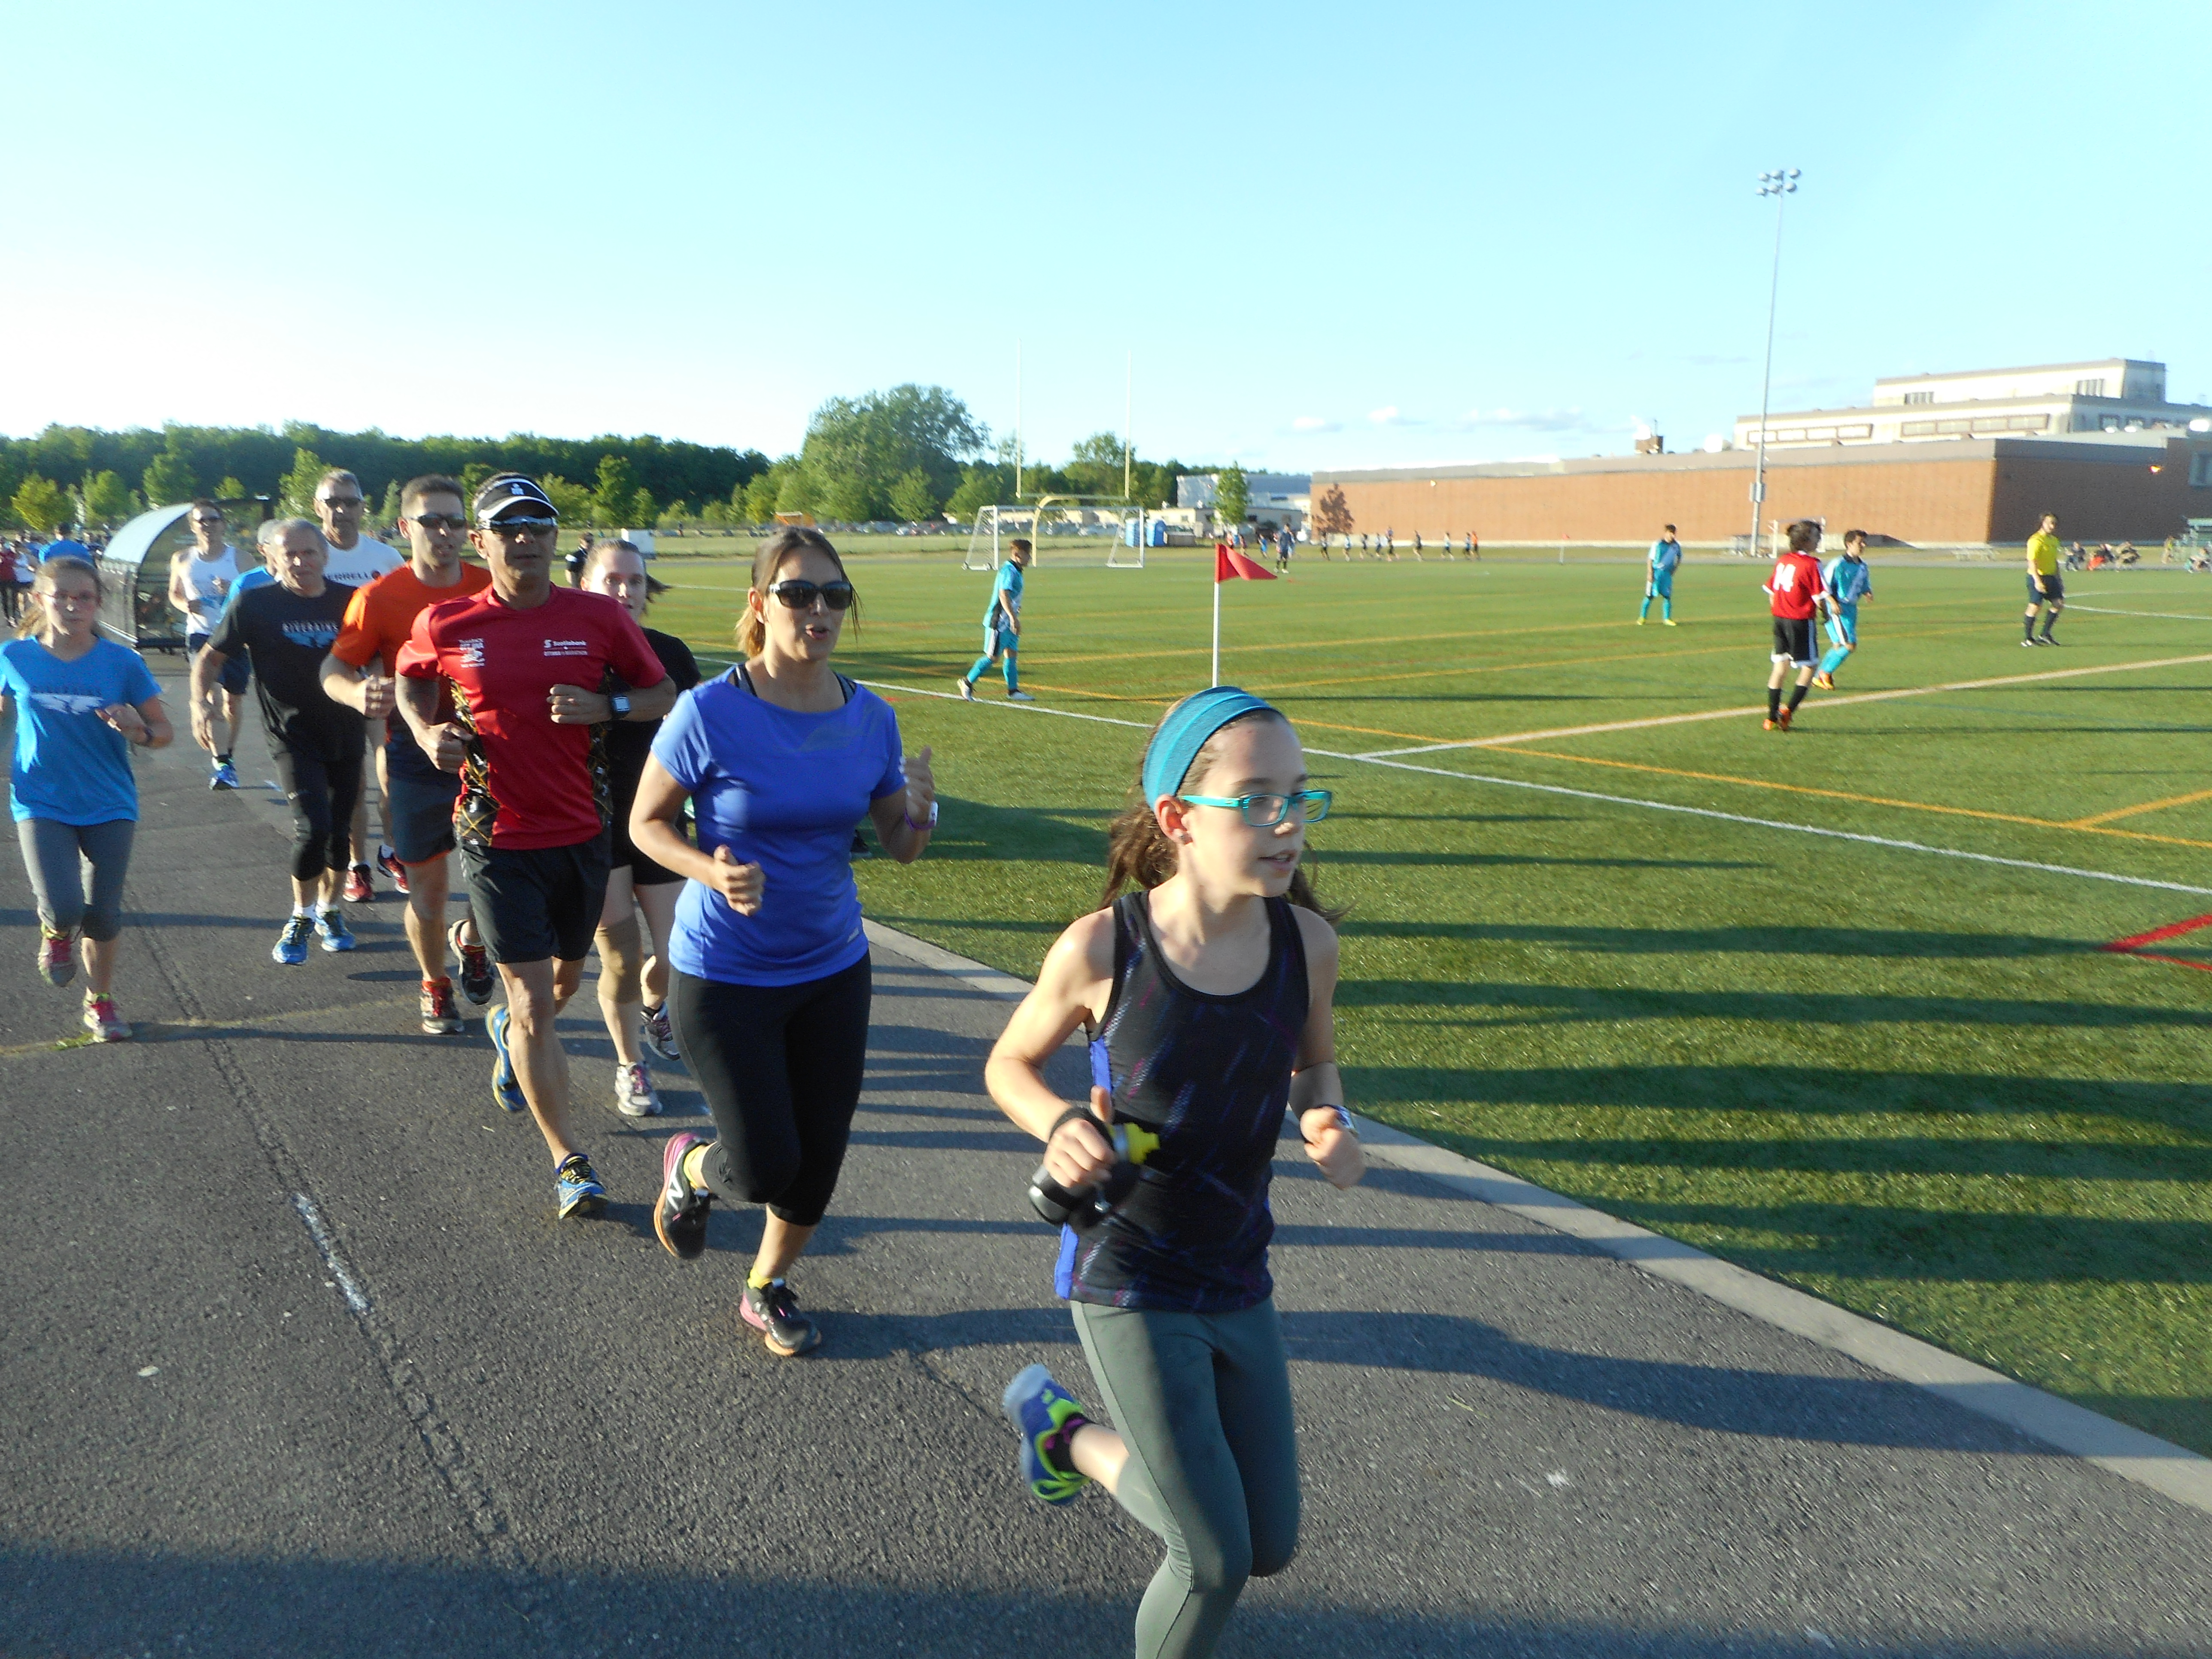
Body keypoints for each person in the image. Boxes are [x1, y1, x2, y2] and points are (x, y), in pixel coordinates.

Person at [984, 686, 1362, 1659]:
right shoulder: (1106, 948)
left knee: (1266, 1542)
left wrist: (1326, 1113)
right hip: (1129, 1273)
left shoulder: (1308, 946)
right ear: (1178, 820)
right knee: (1213, 1562)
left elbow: (1313, 1062)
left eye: (1300, 796)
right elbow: (1007, 1064)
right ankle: (1074, 1439)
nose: (1288, 823)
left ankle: (1060, 1435)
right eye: (1258, 798)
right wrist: (1060, 1120)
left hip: (1239, 1267)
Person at [641, 527, 936, 1357]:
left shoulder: (869, 715)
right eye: (798, 593)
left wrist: (919, 807)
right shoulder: (709, 710)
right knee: (765, 1166)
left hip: (833, 966)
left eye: (834, 595)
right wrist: (709, 868)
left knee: (820, 1159)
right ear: (759, 604)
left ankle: (764, 1284)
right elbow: (645, 824)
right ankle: (689, 1168)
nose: (818, 609)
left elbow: (901, 844)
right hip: (725, 973)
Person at [394, 474, 674, 1221]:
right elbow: (408, 676)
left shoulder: (599, 618)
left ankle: (506, 1027)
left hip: (583, 833)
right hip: (495, 835)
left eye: (540, 525)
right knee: (532, 1006)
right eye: (508, 527)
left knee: (561, 988)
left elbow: (662, 693)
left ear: (556, 537)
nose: (526, 538)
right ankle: (568, 1158)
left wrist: (604, 705)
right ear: (480, 542)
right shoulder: (447, 621)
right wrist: (428, 735)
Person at [320, 474, 496, 1035]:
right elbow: (335, 667)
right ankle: (434, 984)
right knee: (430, 886)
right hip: (417, 754)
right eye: (431, 522)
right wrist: (354, 693)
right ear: (405, 528)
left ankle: (471, 939)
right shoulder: (379, 597)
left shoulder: (491, 586)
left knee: (501, 882)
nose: (444, 533)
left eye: (455, 522)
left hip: (492, 753)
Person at [1, 555, 172, 1040]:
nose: (73, 606)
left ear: (99, 603)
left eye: (84, 597)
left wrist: (138, 732)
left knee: (103, 913)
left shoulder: (123, 663)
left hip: (109, 799)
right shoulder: (14, 657)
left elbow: (163, 732)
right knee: (63, 904)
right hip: (40, 798)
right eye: (62, 596)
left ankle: (100, 1001)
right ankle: (55, 933)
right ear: (40, 600)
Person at [195, 519, 365, 962]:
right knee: (313, 829)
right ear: (269, 556)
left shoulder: (352, 602)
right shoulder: (255, 604)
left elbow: (384, 657)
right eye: (289, 553)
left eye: (309, 553)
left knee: (339, 834)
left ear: (325, 556)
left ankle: (330, 910)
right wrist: (200, 702)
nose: (300, 562)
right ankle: (301, 916)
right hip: (291, 734)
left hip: (346, 732)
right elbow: (211, 656)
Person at [578, 538, 700, 1115]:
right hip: (592, 821)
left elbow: (698, 740)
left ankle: (657, 1006)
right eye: (611, 580)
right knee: (620, 958)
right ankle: (631, 1066)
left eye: (635, 581)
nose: (625, 591)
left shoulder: (671, 653)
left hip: (657, 820)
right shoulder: (570, 652)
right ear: (585, 586)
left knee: (678, 947)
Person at [311, 470, 402, 904]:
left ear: (363, 507)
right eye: (332, 503)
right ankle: (357, 865)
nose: (341, 511)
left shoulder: (384, 557)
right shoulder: (310, 554)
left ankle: (391, 850)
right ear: (318, 508)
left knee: (391, 775)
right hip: (332, 681)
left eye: (349, 502)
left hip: (379, 677)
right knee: (351, 783)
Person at [168, 500, 250, 789]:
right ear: (193, 526)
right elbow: (174, 594)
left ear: (223, 524)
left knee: (233, 700)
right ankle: (223, 763)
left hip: (234, 634)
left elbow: (260, 592)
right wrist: (185, 605)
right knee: (212, 696)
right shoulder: (182, 559)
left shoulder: (239, 558)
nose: (208, 526)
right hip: (201, 636)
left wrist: (233, 592)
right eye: (202, 521)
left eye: (214, 520)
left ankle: (228, 753)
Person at [1762, 519, 1826, 731]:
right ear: (1806, 540)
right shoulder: (1812, 564)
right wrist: (1825, 614)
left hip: (1780, 620)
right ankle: (1788, 712)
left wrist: (1781, 609)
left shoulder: (1783, 560)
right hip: (1800, 622)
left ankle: (1771, 717)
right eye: (1817, 536)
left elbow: (1771, 592)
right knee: (1810, 667)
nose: (1819, 540)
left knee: (1780, 667)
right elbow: (1820, 596)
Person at [957, 536, 1035, 702]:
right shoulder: (1009, 571)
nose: (1030, 557)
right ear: (1017, 554)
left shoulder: (1017, 571)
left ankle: (1013, 691)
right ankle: (967, 682)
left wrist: (1015, 610)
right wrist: (1014, 618)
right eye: (1027, 554)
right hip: (1000, 622)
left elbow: (1011, 596)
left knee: (1012, 653)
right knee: (992, 657)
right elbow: (1003, 594)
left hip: (1009, 621)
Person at [1813, 529, 1874, 689]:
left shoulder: (1862, 566)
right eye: (1860, 542)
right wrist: (1832, 603)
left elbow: (1863, 583)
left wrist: (1867, 591)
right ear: (1849, 544)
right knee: (1850, 645)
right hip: (1838, 608)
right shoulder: (1838, 563)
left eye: (1864, 542)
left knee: (1839, 645)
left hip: (1851, 609)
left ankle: (1820, 676)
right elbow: (1823, 585)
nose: (1863, 545)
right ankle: (1824, 672)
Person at [2024, 512, 2064, 646]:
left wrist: (2059, 578)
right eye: (2049, 523)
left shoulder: (2054, 540)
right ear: (2042, 523)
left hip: (2051, 577)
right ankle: (2028, 638)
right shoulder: (2035, 540)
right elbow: (2032, 562)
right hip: (2037, 576)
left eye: (2054, 523)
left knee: (2058, 604)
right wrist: (2037, 581)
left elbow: (2054, 561)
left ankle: (2045, 634)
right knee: (2035, 606)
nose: (2052, 526)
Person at [1639, 524, 1683, 625]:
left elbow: (1679, 558)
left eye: (1674, 534)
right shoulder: (1658, 544)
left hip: (1667, 575)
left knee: (1667, 596)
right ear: (1666, 533)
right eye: (1671, 533)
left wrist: (1675, 569)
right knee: (1650, 596)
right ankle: (1642, 617)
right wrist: (1650, 573)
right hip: (1656, 573)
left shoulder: (1676, 546)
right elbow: (1650, 559)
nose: (1673, 536)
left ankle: (1667, 619)